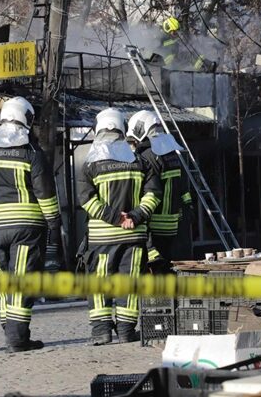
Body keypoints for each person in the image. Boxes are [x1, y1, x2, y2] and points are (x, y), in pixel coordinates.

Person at [0, 96, 61, 353]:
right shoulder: (30, 152)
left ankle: (13, 332)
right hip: (27, 229)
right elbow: (45, 193)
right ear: (26, 119)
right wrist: (54, 224)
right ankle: (17, 339)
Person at [78, 108, 162, 345]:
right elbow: (153, 196)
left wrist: (115, 218)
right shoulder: (141, 161)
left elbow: (86, 200)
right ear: (122, 130)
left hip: (101, 238)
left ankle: (101, 332)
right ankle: (126, 332)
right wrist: (133, 217)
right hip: (133, 236)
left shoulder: (90, 164)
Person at [126, 111, 193, 273]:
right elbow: (184, 190)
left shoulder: (146, 157)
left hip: (153, 221)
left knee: (154, 266)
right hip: (172, 223)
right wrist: (186, 210)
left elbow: (145, 191)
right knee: (166, 265)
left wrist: (135, 215)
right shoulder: (172, 155)